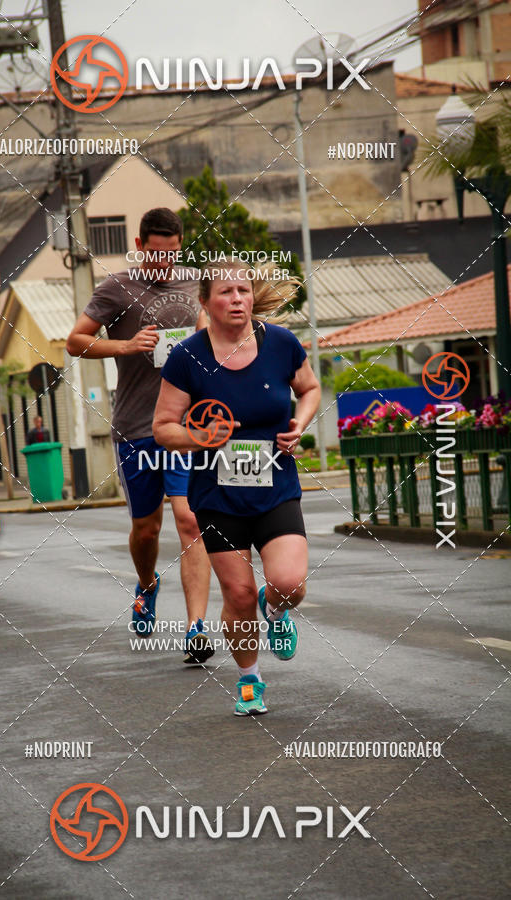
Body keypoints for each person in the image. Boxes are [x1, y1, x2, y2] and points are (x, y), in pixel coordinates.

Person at [153, 262, 321, 714]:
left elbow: (309, 389)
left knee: (289, 583)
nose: (238, 299)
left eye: (244, 290)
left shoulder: (281, 343)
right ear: (206, 303)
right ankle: (250, 679)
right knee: (239, 596)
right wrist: (199, 438)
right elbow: (164, 427)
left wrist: (298, 425)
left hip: (275, 488)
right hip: (217, 497)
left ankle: (279, 606)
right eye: (226, 292)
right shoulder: (187, 357)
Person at [66, 207, 213, 664]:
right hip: (136, 428)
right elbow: (75, 341)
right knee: (146, 529)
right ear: (140, 244)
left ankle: (196, 629)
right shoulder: (117, 288)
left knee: (190, 520)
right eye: (156, 254)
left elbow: (211, 339)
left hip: (186, 427)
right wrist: (126, 345)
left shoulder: (193, 286)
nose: (164, 263)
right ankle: (147, 584)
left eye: (172, 254)